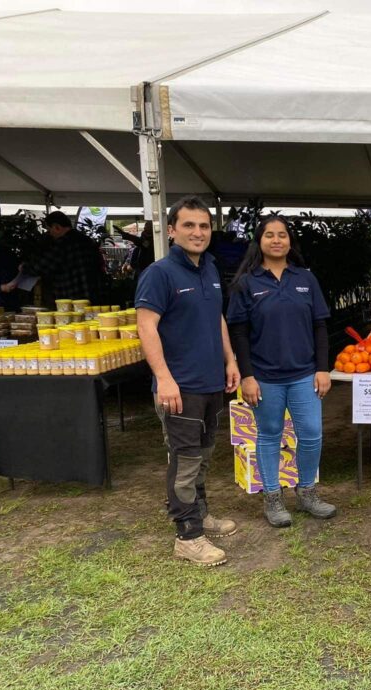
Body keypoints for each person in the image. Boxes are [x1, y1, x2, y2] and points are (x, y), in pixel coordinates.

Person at [135, 196, 241, 566]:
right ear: (173, 230)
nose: (198, 232)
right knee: (184, 460)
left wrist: (230, 360)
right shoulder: (160, 273)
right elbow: (146, 326)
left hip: (211, 382)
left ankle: (200, 513)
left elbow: (218, 319)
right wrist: (163, 378)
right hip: (180, 387)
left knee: (204, 456)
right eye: (189, 225)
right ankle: (188, 536)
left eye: (204, 226)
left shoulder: (209, 269)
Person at [226, 215, 336, 528]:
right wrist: (247, 375)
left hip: (304, 375)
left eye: (283, 235)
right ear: (259, 241)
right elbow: (239, 333)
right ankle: (273, 498)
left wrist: (322, 368)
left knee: (311, 434)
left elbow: (320, 326)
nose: (277, 240)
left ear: (290, 241)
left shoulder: (305, 278)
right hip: (264, 377)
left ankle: (307, 493)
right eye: (270, 235)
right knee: (270, 436)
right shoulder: (247, 282)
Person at [2, 211, 104, 304]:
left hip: (73, 296)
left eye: (49, 229)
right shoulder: (86, 240)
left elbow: (41, 266)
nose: (49, 234)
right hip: (94, 293)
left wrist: (24, 267)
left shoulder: (63, 243)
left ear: (57, 227)